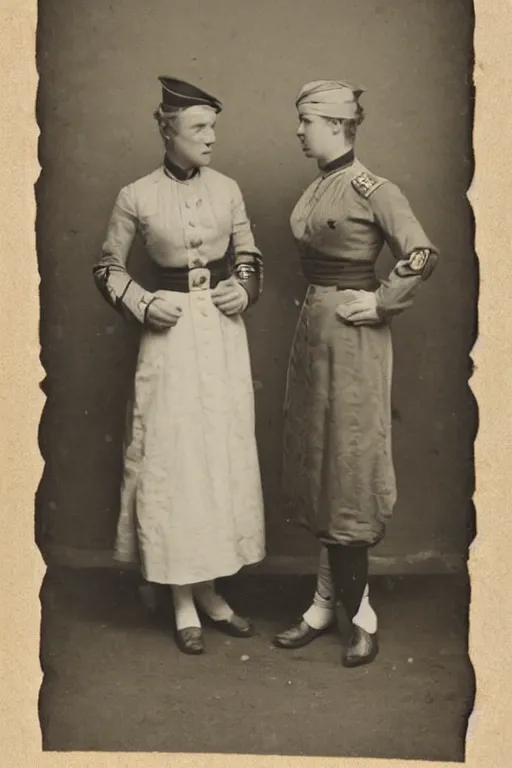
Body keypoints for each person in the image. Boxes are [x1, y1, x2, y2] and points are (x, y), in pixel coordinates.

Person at [93, 76, 265, 655]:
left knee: (216, 456)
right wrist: (142, 302)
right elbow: (107, 268)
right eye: (199, 128)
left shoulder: (229, 189)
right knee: (173, 458)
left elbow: (250, 258)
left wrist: (243, 290)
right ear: (168, 131)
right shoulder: (135, 195)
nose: (211, 138)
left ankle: (212, 590)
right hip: (166, 341)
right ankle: (181, 598)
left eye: (213, 127)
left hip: (220, 337)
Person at [273, 80, 439, 667]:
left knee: (349, 463)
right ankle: (324, 602)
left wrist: (383, 300)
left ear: (337, 124)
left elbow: (420, 252)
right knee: (321, 462)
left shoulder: (374, 188)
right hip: (313, 335)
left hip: (354, 338)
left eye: (306, 120)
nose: (298, 130)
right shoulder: (319, 185)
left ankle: (359, 611)